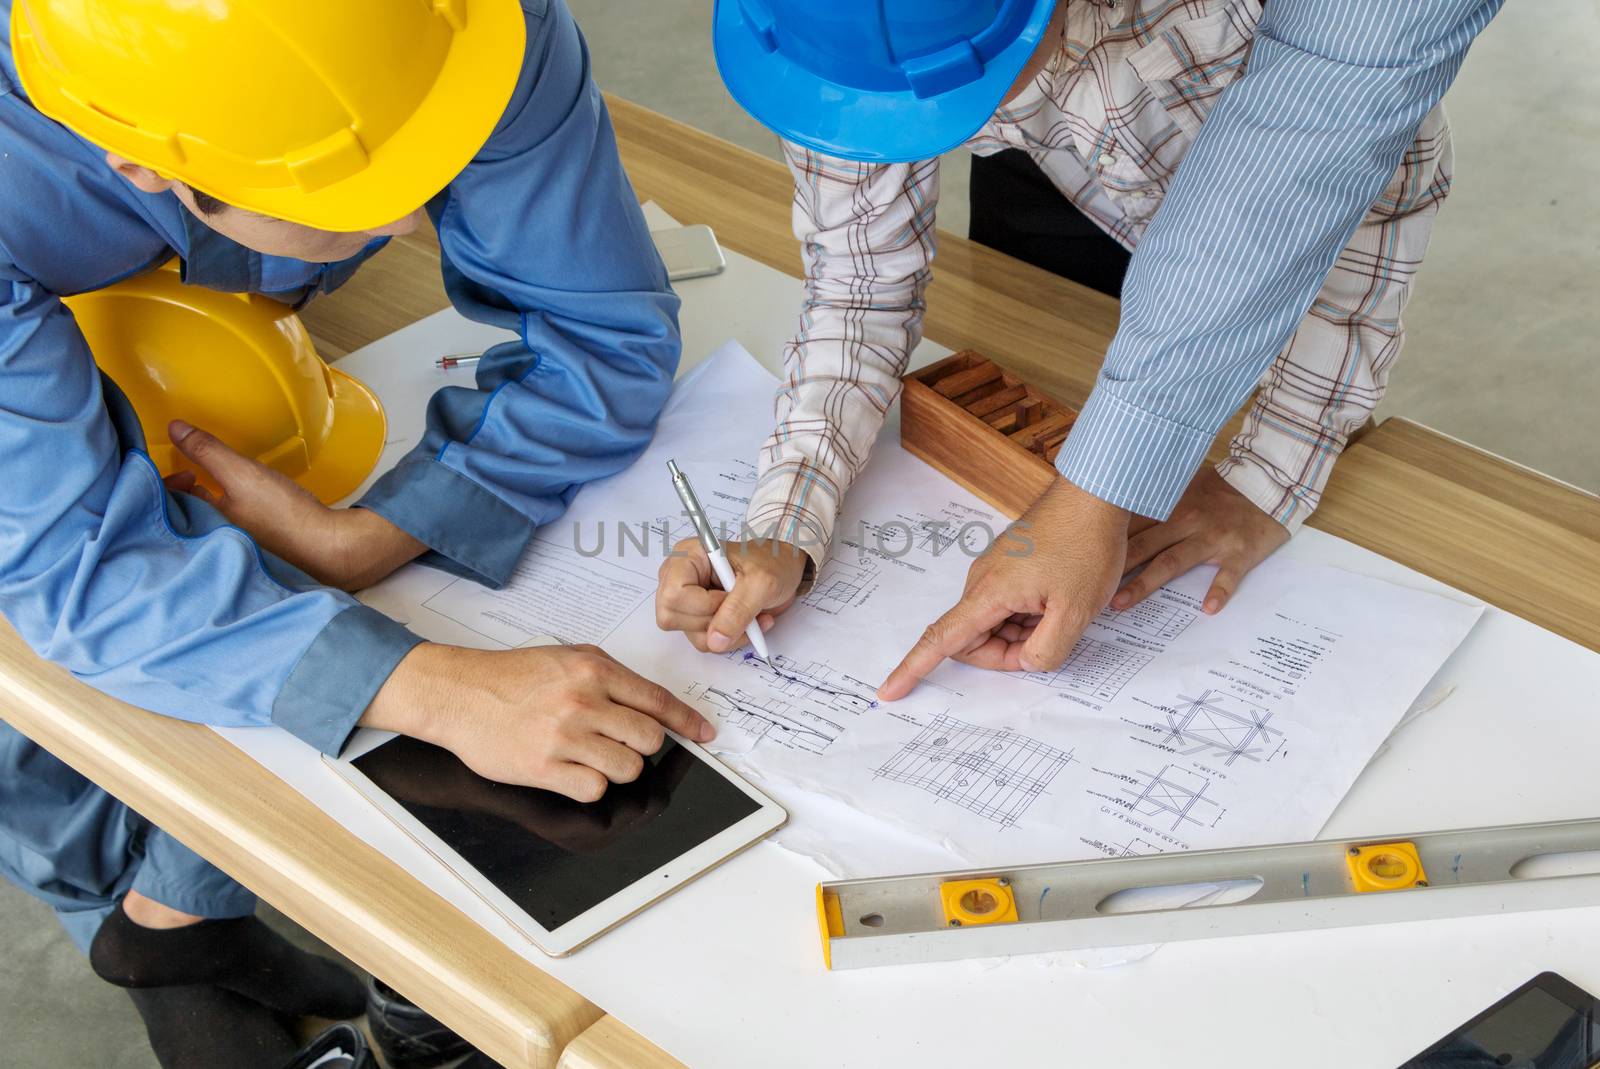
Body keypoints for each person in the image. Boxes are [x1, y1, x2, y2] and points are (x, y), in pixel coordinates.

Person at [0, 0, 713, 1064]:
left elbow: (601, 338)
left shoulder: (455, 31)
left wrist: (377, 534)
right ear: (142, 165)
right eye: (353, 199)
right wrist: (439, 687)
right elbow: (70, 571)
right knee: (53, 695)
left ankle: (170, 921)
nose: (414, 223)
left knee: (262, 598)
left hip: (214, 279)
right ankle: (133, 918)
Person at [655, 0, 1501, 701]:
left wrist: (1268, 467)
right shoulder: (838, 31)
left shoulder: (1215, 19)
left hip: (1264, 173)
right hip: (1058, 164)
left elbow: (1360, 173)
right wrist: (785, 522)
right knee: (1054, 321)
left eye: (922, 104)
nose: (888, 132)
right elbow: (859, 284)